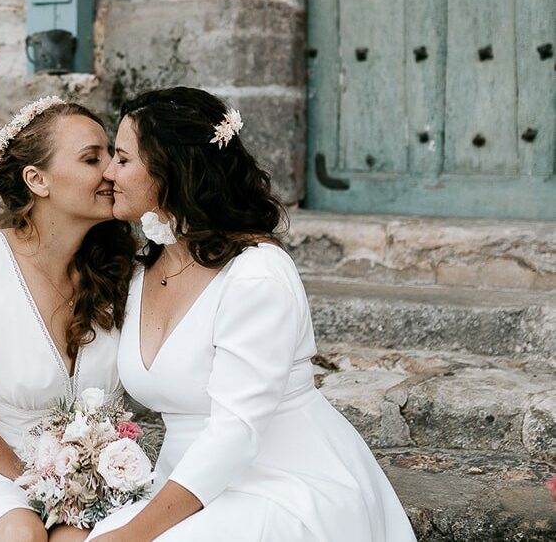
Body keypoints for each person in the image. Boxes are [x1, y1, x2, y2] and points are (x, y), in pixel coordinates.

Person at [87, 87, 416, 541]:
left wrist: (136, 532)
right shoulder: (149, 267)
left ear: (170, 170)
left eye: (122, 159)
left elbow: (235, 433)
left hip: (281, 483)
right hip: (184, 487)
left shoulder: (257, 276)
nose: (108, 172)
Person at [0, 97, 137, 542]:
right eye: (91, 159)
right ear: (37, 180)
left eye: (114, 157)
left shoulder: (124, 272)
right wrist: (43, 494)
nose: (111, 172)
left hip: (95, 488)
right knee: (21, 533)